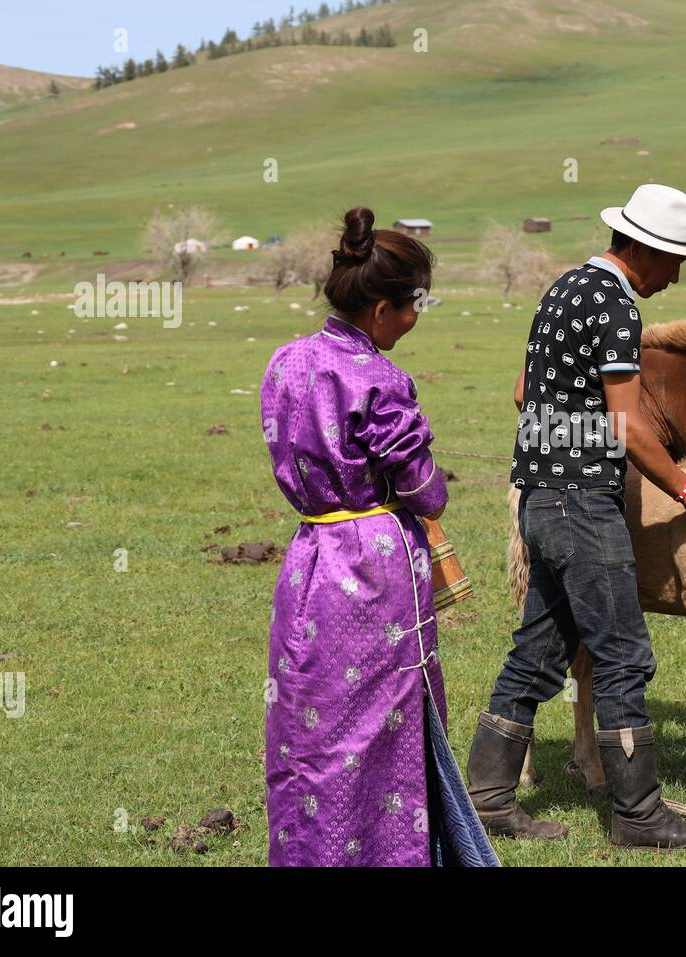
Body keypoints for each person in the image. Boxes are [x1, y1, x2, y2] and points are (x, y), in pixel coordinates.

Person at [466, 184, 686, 850]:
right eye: (677, 259)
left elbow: (521, 390)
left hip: (538, 497)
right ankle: (639, 814)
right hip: (582, 505)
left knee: (538, 652)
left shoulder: (562, 289)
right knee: (624, 652)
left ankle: (488, 797)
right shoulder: (617, 308)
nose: (678, 274)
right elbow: (626, 424)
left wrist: (566, 430)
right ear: (645, 250)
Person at [260, 207, 495, 867]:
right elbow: (428, 491)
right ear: (382, 309)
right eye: (414, 306)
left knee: (310, 723)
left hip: (309, 561)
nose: (417, 320)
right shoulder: (380, 379)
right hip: (372, 570)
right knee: (381, 729)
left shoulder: (284, 362)